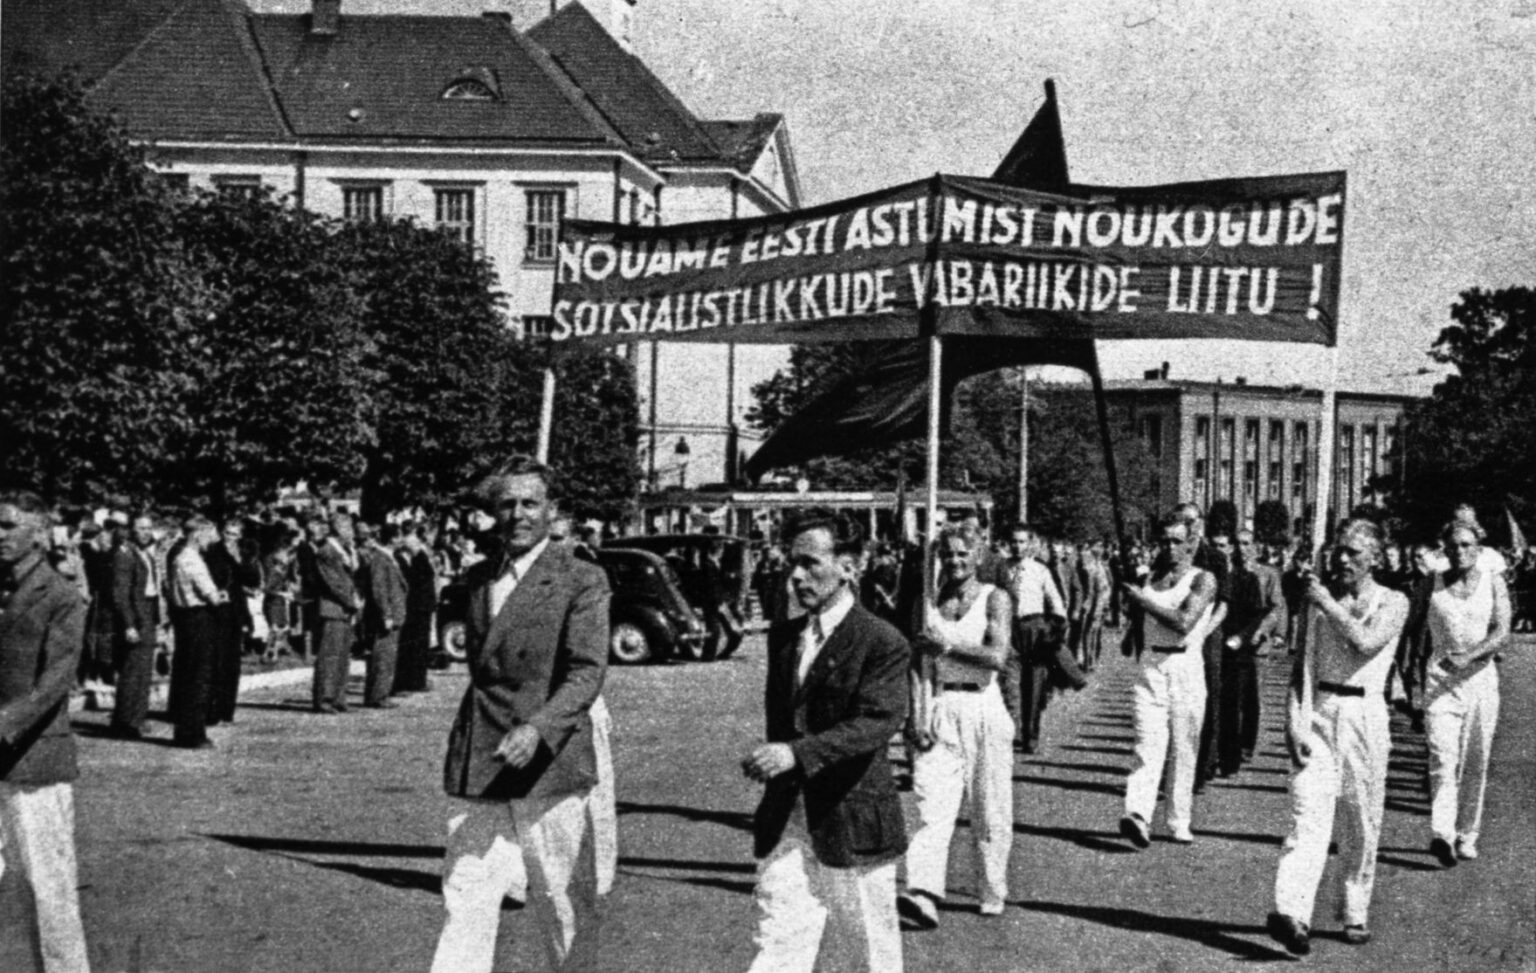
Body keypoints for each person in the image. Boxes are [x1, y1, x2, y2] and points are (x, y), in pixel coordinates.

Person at [433, 458, 609, 973]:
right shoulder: (478, 577)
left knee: (560, 902)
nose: (517, 514)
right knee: (465, 893)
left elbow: (585, 672)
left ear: (552, 511)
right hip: (483, 755)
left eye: (530, 503)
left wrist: (539, 727)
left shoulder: (581, 578)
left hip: (548, 762)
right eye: (506, 504)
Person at [742, 509, 909, 972]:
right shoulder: (785, 638)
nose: (795, 576)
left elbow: (878, 720)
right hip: (788, 819)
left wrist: (795, 754)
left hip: (853, 817)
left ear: (849, 566)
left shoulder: (881, 641)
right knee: (778, 939)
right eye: (790, 563)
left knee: (868, 952)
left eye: (810, 564)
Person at [1267, 519, 1409, 955]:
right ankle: (1292, 913)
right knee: (1307, 815)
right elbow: (1300, 670)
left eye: (1354, 553)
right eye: (1339, 551)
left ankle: (1354, 907)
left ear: (1376, 559)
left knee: (1360, 820)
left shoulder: (1394, 601)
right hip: (1320, 713)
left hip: (1365, 714)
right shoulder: (1316, 604)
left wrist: (1325, 601)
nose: (1343, 559)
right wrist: (1293, 720)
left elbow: (1365, 641)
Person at [898, 526, 1014, 927]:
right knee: (931, 803)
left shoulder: (995, 599)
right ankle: (923, 892)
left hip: (983, 706)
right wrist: (916, 714)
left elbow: (998, 656)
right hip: (940, 704)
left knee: (989, 807)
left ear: (979, 555)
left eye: (963, 553)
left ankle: (991, 888)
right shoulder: (926, 603)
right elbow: (916, 661)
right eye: (947, 554)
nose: (955, 561)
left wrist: (947, 647)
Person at [0, 491, 92, 973]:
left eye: (8, 526)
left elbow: (53, 682)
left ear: (38, 532)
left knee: (47, 888)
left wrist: (4, 724)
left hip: (33, 758)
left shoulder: (60, 596)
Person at [1412, 519, 1511, 868]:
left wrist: (1469, 656)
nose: (1460, 552)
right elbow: (1411, 628)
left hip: (1480, 679)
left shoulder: (1493, 582)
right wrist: (1403, 677)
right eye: (1453, 546)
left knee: (1476, 759)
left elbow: (1502, 631)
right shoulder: (1431, 584)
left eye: (1467, 545)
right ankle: (1442, 833)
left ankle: (1467, 833)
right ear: (1444, 549)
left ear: (1479, 547)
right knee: (1442, 756)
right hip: (1440, 679)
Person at [1118, 512, 1216, 848]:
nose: (1170, 548)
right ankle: (1138, 814)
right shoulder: (1150, 578)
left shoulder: (1204, 580)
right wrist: (1133, 613)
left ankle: (1179, 819)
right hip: (1151, 666)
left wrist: (1142, 600)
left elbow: (1184, 621)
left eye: (1178, 541)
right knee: (1148, 744)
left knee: (1184, 747)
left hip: (1185, 665)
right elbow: (1136, 625)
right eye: (1165, 541)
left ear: (1192, 543)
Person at [1002, 525, 1078, 754]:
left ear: (1030, 544)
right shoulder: (1001, 568)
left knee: (1034, 685)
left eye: (1022, 542)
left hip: (1034, 628)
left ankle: (1030, 735)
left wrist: (1054, 629)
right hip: (1008, 628)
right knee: (1009, 683)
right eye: (1014, 541)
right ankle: (1012, 731)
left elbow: (1056, 602)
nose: (1017, 546)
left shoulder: (1039, 570)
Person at [1217, 529, 1283, 774]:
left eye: (1247, 543)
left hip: (1256, 643)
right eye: (1238, 543)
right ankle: (1229, 745)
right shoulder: (1228, 573)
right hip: (1234, 643)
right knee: (1232, 696)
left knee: (1252, 696)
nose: (1242, 548)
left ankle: (1247, 743)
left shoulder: (1268, 574)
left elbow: (1276, 608)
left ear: (1255, 546)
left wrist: (1265, 631)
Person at [167, 516, 228, 749]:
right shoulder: (191, 560)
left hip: (186, 620)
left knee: (188, 676)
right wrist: (222, 595)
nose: (211, 541)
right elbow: (211, 595)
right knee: (198, 678)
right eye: (208, 535)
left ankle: (186, 730)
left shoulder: (181, 557)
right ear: (197, 534)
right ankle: (192, 733)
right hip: (198, 619)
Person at [108, 513, 162, 739]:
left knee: (143, 671)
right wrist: (129, 624)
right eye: (141, 528)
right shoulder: (125, 554)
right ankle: (125, 722)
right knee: (133, 671)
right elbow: (120, 594)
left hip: (147, 612)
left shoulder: (143, 553)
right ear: (132, 530)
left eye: (149, 528)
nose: (146, 532)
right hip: (136, 617)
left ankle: (136, 718)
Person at [311, 511, 360, 715]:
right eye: (347, 528)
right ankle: (325, 699)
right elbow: (335, 583)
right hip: (333, 608)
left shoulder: (344, 550)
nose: (351, 532)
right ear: (338, 529)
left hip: (344, 610)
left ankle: (338, 697)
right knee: (330, 656)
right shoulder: (327, 551)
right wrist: (352, 601)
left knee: (342, 656)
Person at [356, 522, 407, 709]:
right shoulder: (380, 559)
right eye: (399, 536)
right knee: (383, 656)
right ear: (392, 538)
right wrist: (386, 614)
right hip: (386, 616)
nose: (402, 540)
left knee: (387, 656)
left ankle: (379, 693)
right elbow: (379, 590)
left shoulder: (389, 558)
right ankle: (378, 695)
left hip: (394, 614)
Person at [391, 521, 438, 695]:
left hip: (422, 606)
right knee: (410, 646)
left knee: (420, 645)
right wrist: (419, 554)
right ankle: (407, 682)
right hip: (414, 607)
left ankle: (418, 680)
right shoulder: (408, 559)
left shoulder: (417, 558)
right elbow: (423, 575)